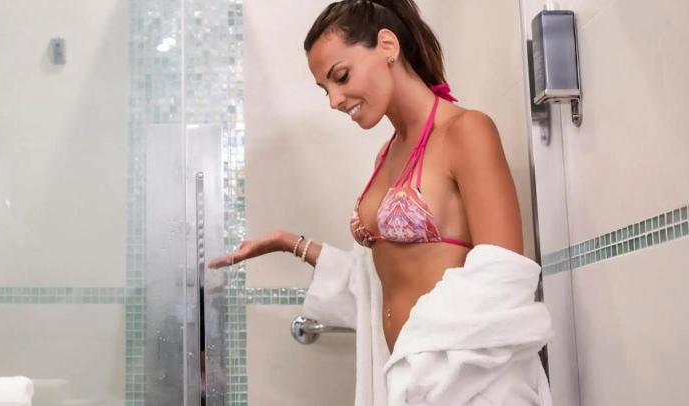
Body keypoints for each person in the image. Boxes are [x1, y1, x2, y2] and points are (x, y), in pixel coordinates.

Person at [208, 1, 553, 404]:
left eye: (341, 76)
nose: (334, 100)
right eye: (325, 89)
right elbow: (380, 278)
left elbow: (504, 272)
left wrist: (426, 365)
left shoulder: (466, 131)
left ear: (388, 45)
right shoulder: (386, 156)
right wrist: (290, 243)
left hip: (471, 384)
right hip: (411, 385)